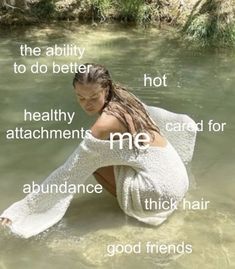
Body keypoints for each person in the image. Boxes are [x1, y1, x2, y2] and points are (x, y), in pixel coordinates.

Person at [0, 63, 196, 238]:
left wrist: (23, 209)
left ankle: (130, 210)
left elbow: (70, 171)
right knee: (104, 154)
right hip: (178, 181)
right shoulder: (126, 98)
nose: (87, 104)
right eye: (81, 97)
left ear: (106, 89)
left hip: (160, 195)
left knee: (92, 164)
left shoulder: (104, 124)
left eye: (94, 97)